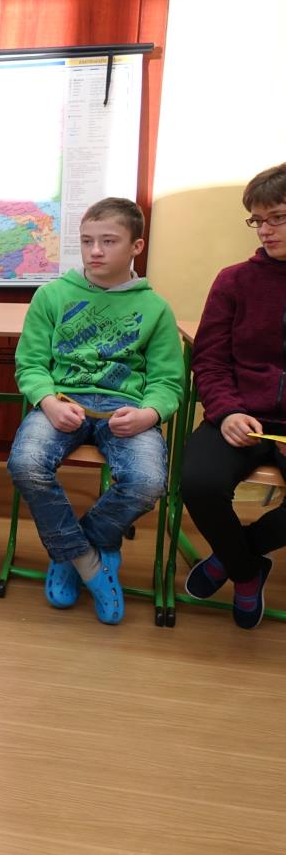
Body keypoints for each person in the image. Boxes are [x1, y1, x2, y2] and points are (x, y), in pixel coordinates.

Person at [6, 198, 183, 625]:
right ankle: (88, 562)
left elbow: (168, 382)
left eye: (108, 241)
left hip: (127, 410)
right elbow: (30, 365)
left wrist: (150, 414)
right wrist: (48, 401)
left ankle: (72, 549)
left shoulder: (156, 308)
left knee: (147, 482)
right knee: (26, 464)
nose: (95, 251)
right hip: (62, 402)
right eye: (87, 241)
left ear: (136, 246)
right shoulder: (52, 295)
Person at [179, 163, 286, 629]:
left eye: (277, 218)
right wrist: (226, 413)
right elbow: (210, 359)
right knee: (198, 483)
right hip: (240, 414)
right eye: (258, 220)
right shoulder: (234, 280)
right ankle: (246, 570)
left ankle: (234, 557)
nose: (265, 230)